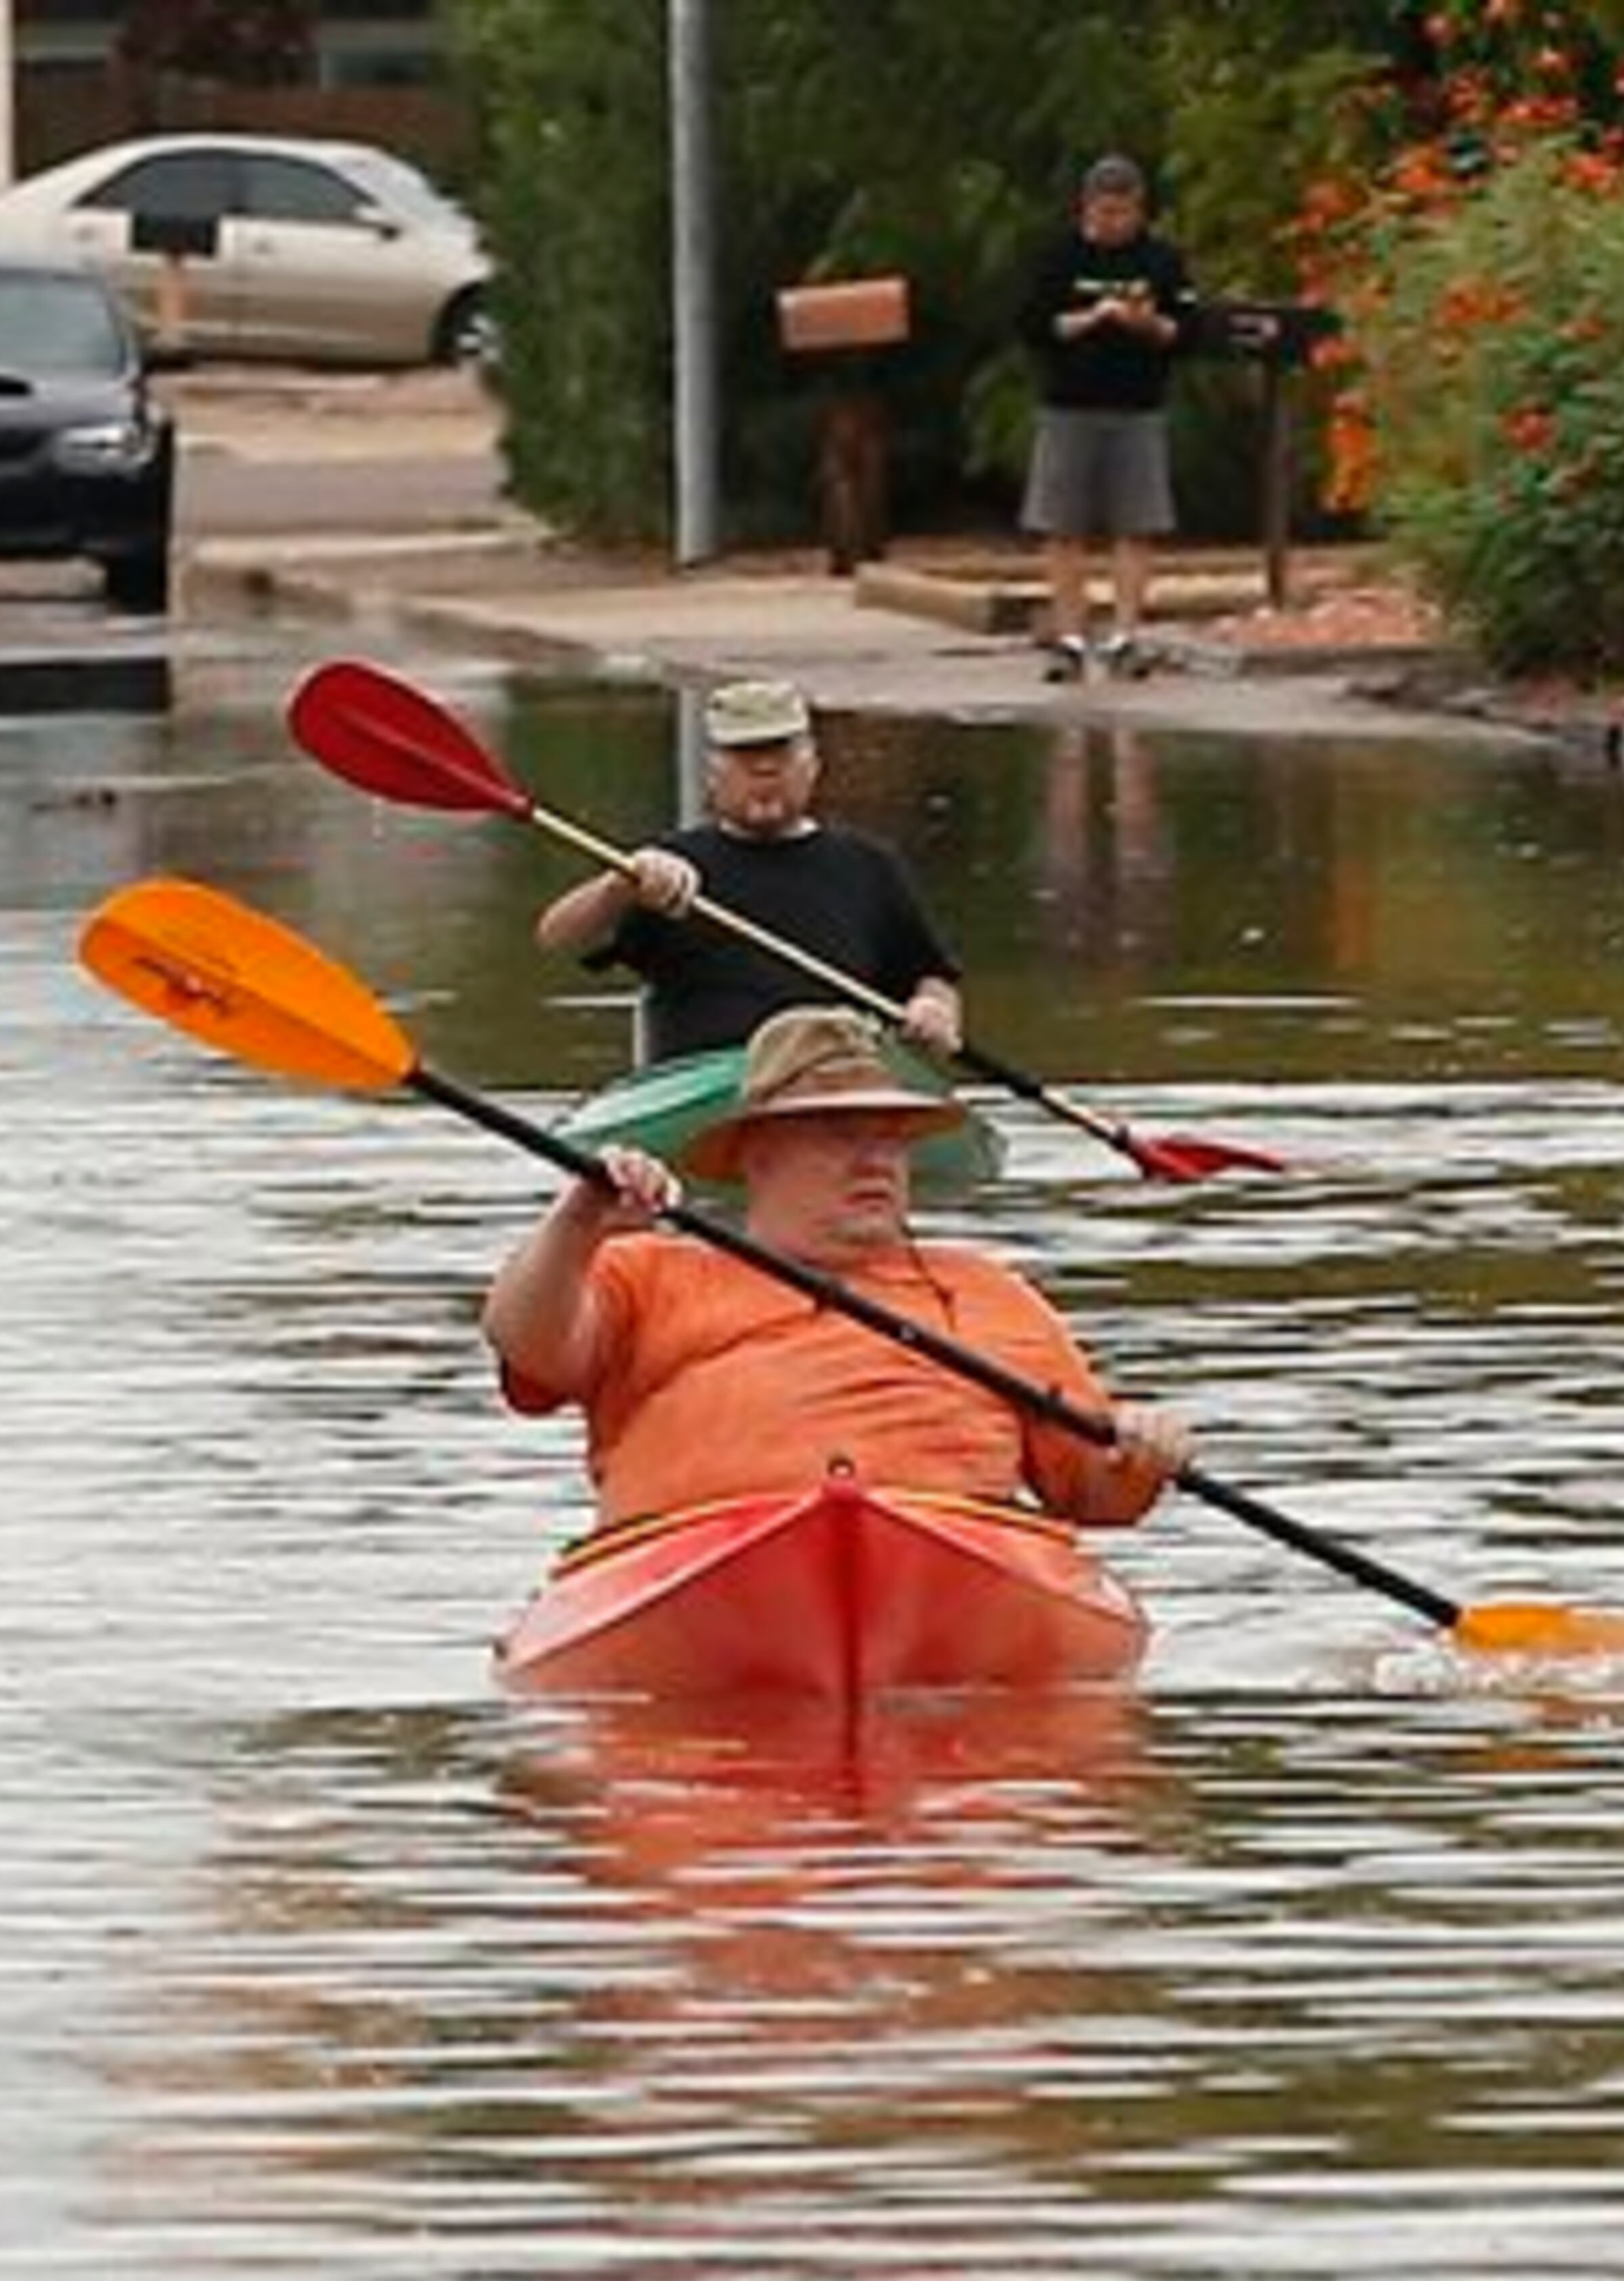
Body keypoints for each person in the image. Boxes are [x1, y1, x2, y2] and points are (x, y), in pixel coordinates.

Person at [483, 1004, 1190, 1534]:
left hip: (951, 1566)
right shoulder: (643, 1273)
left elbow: (1093, 1498)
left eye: (891, 1138)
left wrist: (1138, 1457)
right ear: (755, 1154)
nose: (875, 1159)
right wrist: (576, 1223)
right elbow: (525, 1340)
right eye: (839, 1133)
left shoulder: (992, 1294)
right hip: (689, 1564)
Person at [531, 677, 965, 1066]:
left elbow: (932, 975)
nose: (764, 771)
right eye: (745, 756)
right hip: (705, 1085)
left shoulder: (868, 865)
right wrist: (618, 886)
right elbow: (555, 938)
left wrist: (934, 1008)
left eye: (779, 753)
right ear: (713, 773)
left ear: (812, 766)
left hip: (833, 1081)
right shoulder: (663, 869)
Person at [1016, 154, 1196, 682]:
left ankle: (1125, 635)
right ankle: (1069, 637)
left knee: (1136, 524)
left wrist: (1146, 323)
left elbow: (1187, 331)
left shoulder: (1161, 260)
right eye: (1103, 211)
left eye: (1123, 211)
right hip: (1069, 404)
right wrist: (1091, 318)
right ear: (1086, 207)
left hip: (1137, 406)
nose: (1112, 222)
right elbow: (1032, 326)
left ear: (1139, 208)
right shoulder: (1060, 257)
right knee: (1062, 525)